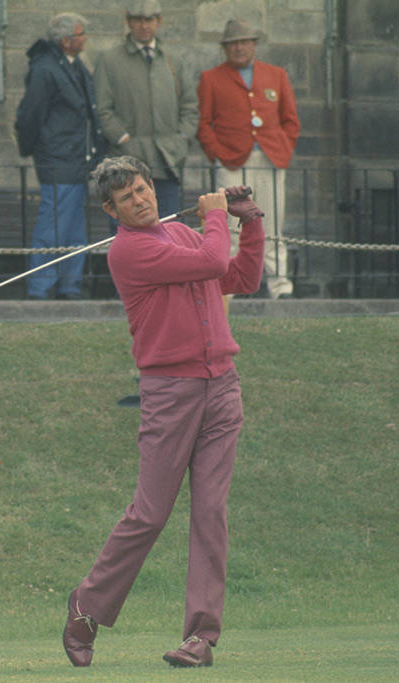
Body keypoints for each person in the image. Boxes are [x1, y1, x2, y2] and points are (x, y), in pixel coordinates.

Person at [62, 156, 263, 669]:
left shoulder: (184, 235)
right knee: (149, 513)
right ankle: (87, 606)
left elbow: (240, 274)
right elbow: (215, 261)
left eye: (145, 188)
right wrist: (217, 216)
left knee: (210, 512)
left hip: (221, 384)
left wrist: (250, 222)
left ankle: (201, 637)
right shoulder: (129, 252)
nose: (143, 198)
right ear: (111, 210)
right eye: (128, 196)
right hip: (170, 392)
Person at [196, 19, 300, 299]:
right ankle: (227, 287)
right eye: (233, 43)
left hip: (270, 158)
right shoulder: (212, 78)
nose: (239, 47)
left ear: (254, 44)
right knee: (230, 225)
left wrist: (283, 149)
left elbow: (291, 121)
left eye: (244, 41)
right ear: (225, 48)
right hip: (232, 161)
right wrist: (217, 154)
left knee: (272, 223)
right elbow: (203, 125)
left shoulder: (276, 75)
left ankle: (280, 286)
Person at [14, 12, 106, 300]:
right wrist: (35, 150)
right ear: (66, 41)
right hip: (59, 159)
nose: (85, 39)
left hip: (77, 159)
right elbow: (30, 115)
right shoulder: (45, 68)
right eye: (80, 35)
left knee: (75, 230)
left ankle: (70, 286)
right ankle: (39, 289)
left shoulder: (73, 65)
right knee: (53, 227)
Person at [93, 0, 199, 219]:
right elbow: (103, 110)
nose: (144, 26)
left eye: (149, 19)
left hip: (167, 162)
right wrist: (124, 140)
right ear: (128, 22)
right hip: (125, 164)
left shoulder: (174, 60)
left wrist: (181, 139)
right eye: (138, 20)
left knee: (168, 226)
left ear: (159, 21)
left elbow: (190, 107)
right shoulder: (109, 60)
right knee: (129, 231)